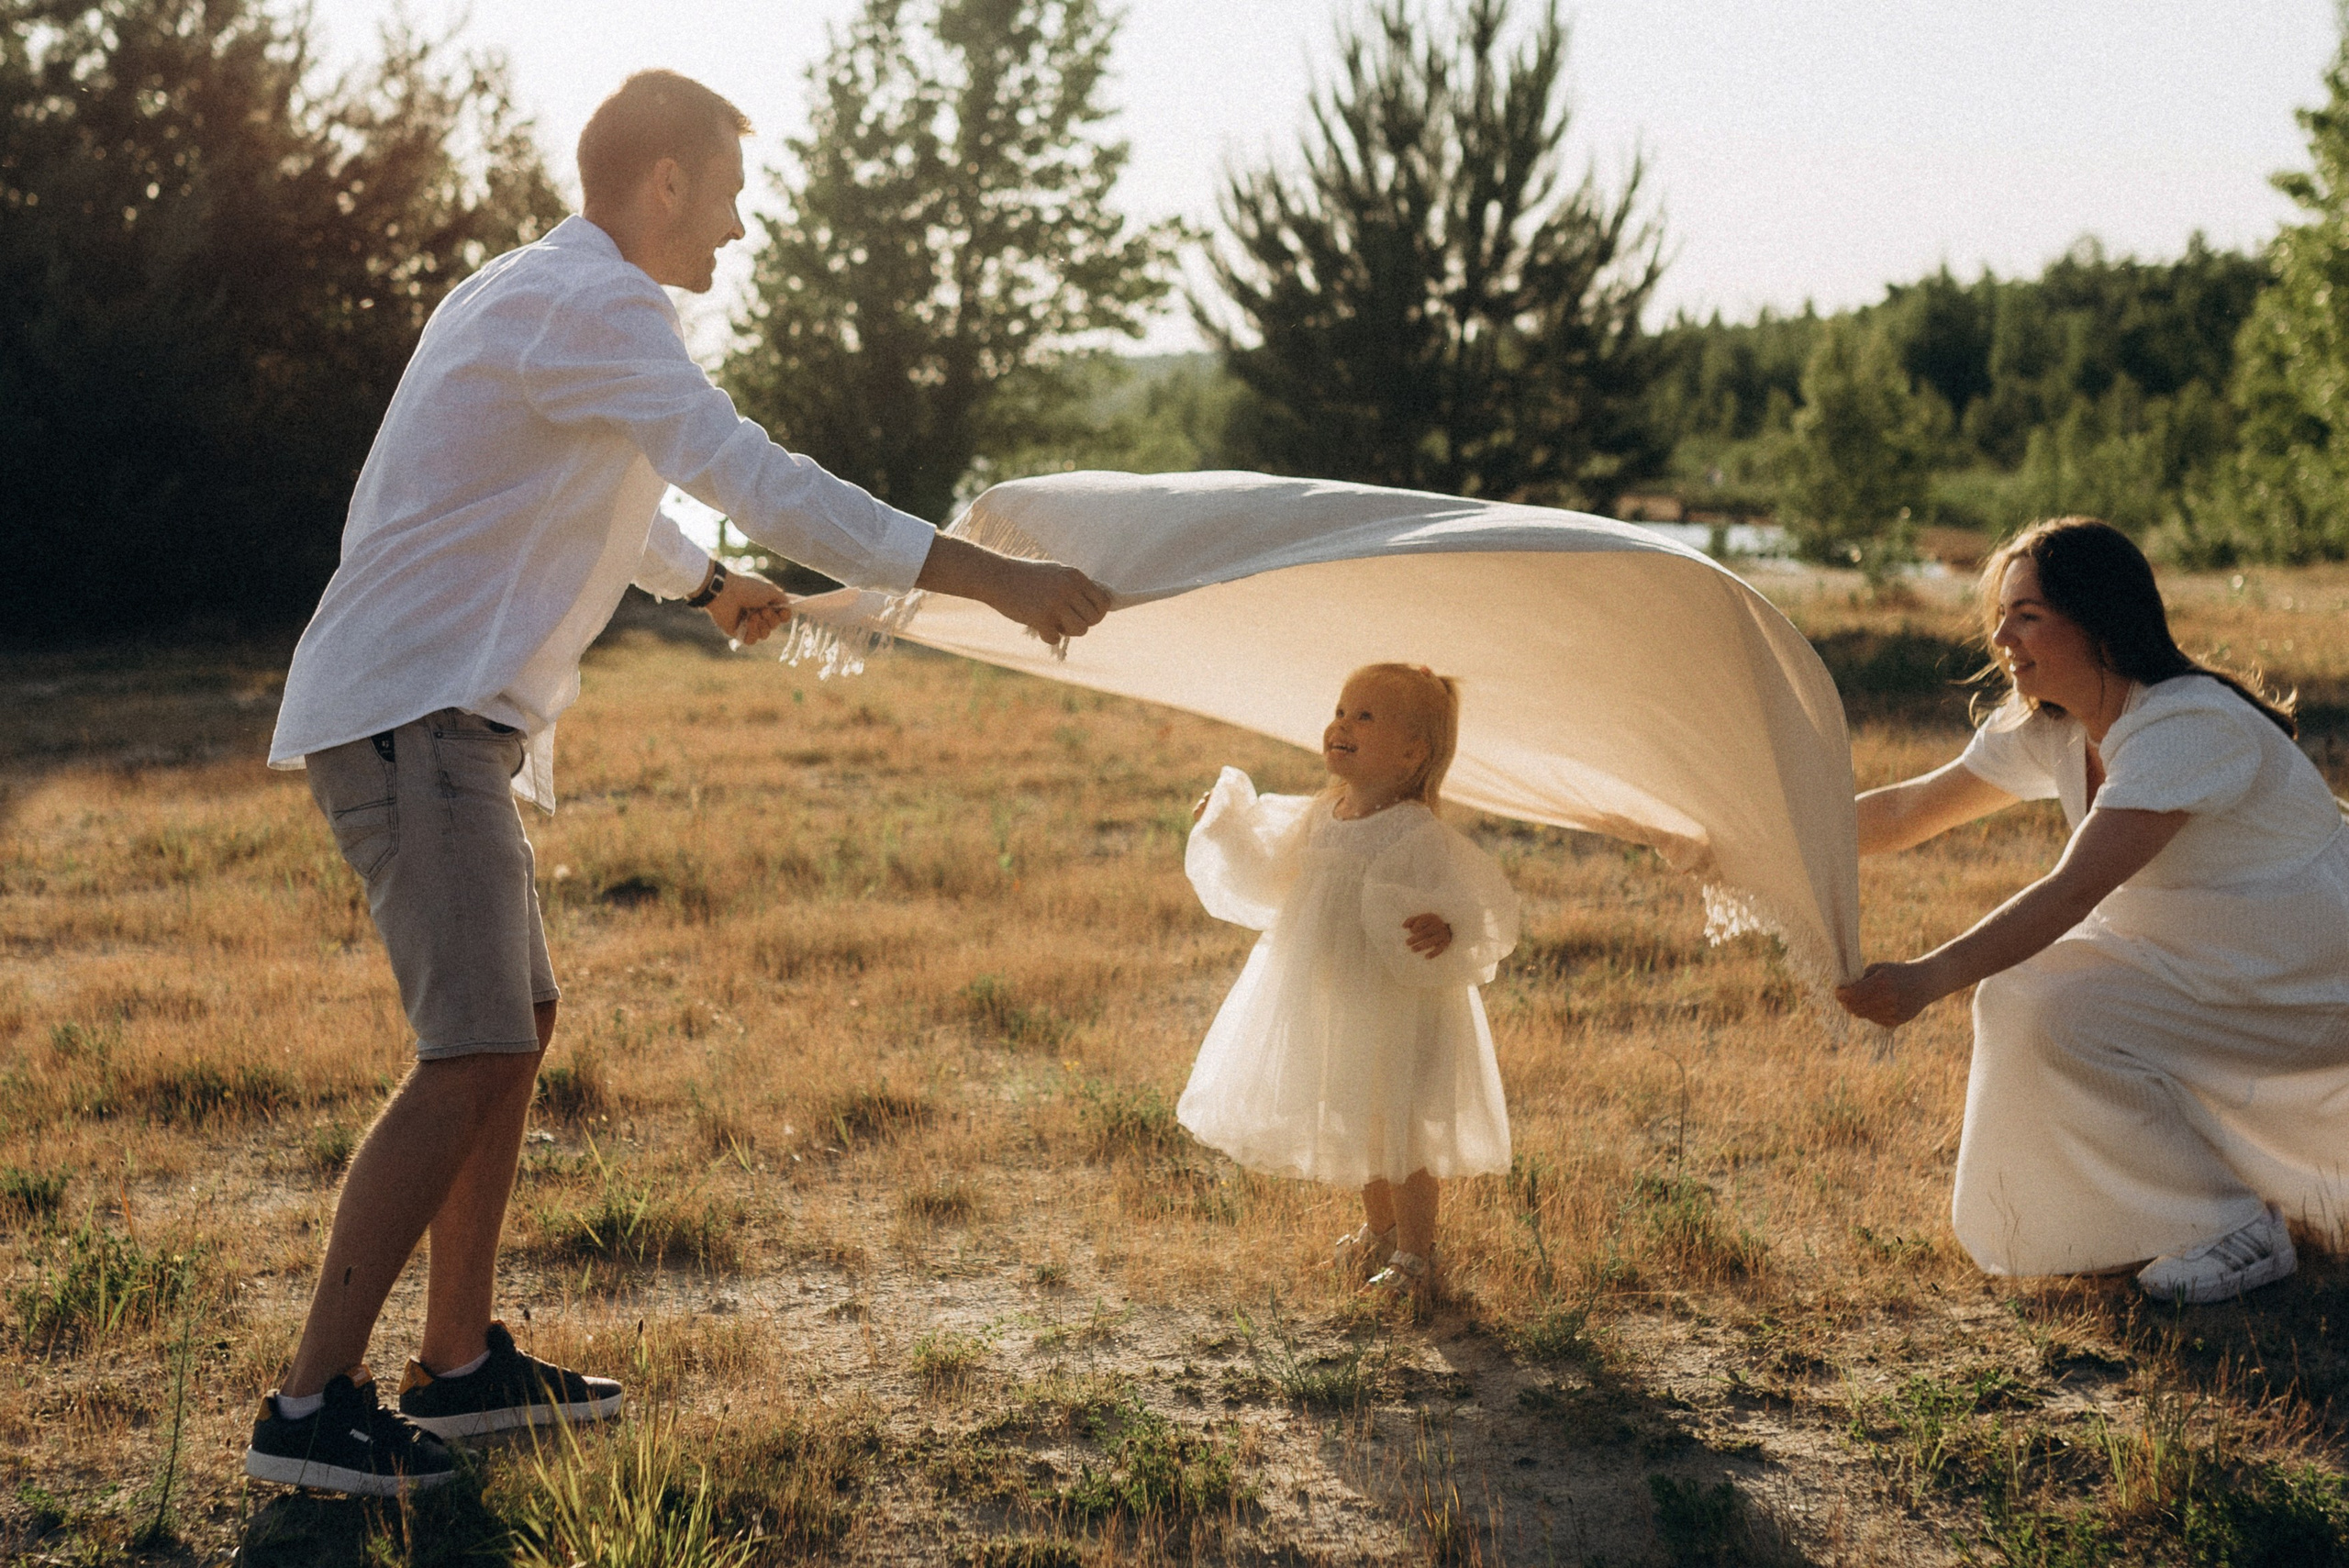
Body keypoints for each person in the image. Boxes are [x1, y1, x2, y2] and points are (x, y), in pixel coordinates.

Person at [246, 71, 1110, 1497]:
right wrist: (992, 577)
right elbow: (760, 475)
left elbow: (600, 483)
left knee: (515, 1025)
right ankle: (305, 1409)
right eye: (728, 193)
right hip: (417, 722)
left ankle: (457, 1365)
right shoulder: (598, 304)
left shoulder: (532, 294)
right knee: (470, 1047)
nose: (737, 226)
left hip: (436, 723)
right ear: (664, 182)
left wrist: (708, 585)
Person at [1835, 517, 2349, 1304]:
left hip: (2305, 978)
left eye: (2027, 615)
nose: (2001, 637)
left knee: (2038, 997)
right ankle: (2205, 1215)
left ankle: (2233, 1229)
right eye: (2001, 615)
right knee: (2023, 999)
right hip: (2208, 962)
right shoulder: (2055, 723)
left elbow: (2074, 889)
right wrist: (1753, 836)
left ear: (2100, 621)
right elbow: (1907, 812)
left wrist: (1925, 979)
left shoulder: (2188, 723)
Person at [1175, 663, 1520, 1302]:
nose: (1342, 725)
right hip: (1336, 991)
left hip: (1397, 1001)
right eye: (1340, 711)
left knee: (1401, 1123)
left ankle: (1418, 1254)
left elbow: (1474, 903)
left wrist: (1447, 926)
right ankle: (1380, 1232)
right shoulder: (1321, 813)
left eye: (1365, 717)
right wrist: (1224, 823)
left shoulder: (1415, 829)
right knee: (1359, 1113)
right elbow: (1267, 868)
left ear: (1412, 752)